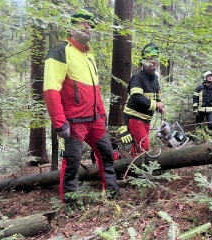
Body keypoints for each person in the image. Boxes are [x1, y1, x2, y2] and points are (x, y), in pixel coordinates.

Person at [43, 9, 120, 203]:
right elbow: (51, 89)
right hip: (74, 121)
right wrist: (59, 123)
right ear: (71, 28)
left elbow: (95, 90)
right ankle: (70, 203)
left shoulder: (89, 57)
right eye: (82, 23)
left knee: (107, 155)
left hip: (95, 120)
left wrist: (102, 114)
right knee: (72, 163)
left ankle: (111, 192)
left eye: (90, 25)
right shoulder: (59, 51)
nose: (88, 27)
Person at [121, 43, 165, 156]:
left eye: (155, 58)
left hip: (145, 119)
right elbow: (136, 98)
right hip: (135, 117)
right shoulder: (138, 78)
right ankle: (141, 172)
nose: (154, 61)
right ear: (143, 62)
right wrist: (155, 105)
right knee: (143, 145)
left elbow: (157, 97)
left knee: (138, 145)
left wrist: (160, 106)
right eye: (150, 58)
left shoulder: (155, 78)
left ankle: (134, 169)